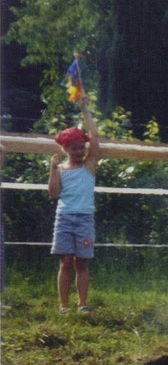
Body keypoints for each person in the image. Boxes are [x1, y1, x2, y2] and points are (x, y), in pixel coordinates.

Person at [47, 95, 99, 315]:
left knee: (82, 263)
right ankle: (64, 305)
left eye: (81, 147)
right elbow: (53, 193)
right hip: (65, 218)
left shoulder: (89, 165)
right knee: (66, 261)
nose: (79, 151)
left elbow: (95, 137)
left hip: (84, 218)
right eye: (74, 148)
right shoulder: (60, 169)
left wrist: (85, 112)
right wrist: (52, 168)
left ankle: (82, 304)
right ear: (65, 149)